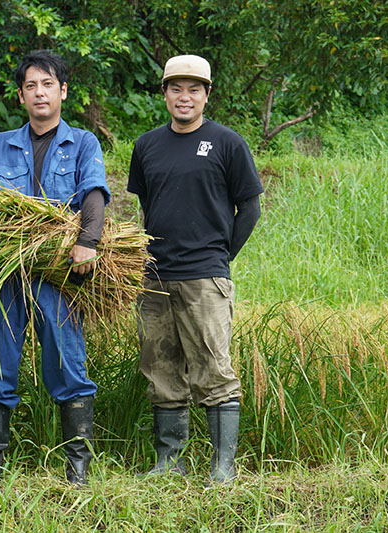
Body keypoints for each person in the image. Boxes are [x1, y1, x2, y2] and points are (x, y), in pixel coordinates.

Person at [0, 50, 110, 485]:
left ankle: (78, 468)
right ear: (20, 96)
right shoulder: (2, 143)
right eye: (31, 86)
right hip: (7, 272)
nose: (39, 93)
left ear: (63, 91)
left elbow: (94, 195)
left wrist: (87, 242)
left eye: (47, 84)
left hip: (59, 273)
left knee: (68, 361)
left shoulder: (83, 142)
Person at [127, 55, 263, 483]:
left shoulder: (227, 143)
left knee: (213, 369)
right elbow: (148, 204)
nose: (184, 97)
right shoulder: (147, 145)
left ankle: (222, 466)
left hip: (205, 276)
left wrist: (221, 257)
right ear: (164, 93)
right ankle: (170, 461)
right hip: (155, 277)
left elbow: (251, 208)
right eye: (176, 88)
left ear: (206, 95)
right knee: (161, 367)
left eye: (194, 89)